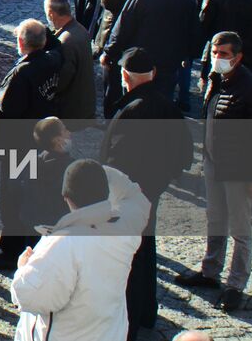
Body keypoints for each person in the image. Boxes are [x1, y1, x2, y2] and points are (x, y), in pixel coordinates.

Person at [174, 32, 252, 313]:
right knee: (215, 218)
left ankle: (235, 285)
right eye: (215, 52)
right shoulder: (218, 79)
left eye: (224, 54)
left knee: (240, 228)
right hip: (214, 162)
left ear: (238, 57)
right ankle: (210, 270)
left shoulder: (250, 89)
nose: (217, 58)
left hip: (239, 169)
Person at [100, 47, 192, 341]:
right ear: (152, 74)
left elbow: (116, 162)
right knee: (146, 249)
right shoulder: (168, 106)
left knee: (131, 258)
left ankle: (133, 315)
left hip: (129, 198)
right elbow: (184, 155)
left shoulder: (132, 111)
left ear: (125, 76)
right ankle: (147, 311)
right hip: (152, 192)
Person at [9, 160, 151, 341]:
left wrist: (22, 268)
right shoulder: (126, 226)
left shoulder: (63, 243)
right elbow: (134, 195)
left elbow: (31, 297)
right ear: (105, 192)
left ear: (66, 197)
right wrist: (96, 171)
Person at [0, 19, 58, 271]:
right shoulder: (52, 61)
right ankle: (29, 243)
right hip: (38, 140)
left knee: (12, 199)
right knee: (32, 195)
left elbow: (7, 109)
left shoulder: (22, 72)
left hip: (17, 145)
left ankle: (12, 250)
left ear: (21, 43)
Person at [102, 0, 200, 108]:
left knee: (134, 105)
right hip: (169, 65)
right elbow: (194, 33)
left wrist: (108, 53)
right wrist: (188, 55)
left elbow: (121, 30)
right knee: (160, 105)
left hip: (139, 66)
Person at [44, 0, 97, 124]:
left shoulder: (65, 42)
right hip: (85, 104)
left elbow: (62, 80)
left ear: (51, 14)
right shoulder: (80, 29)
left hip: (71, 111)